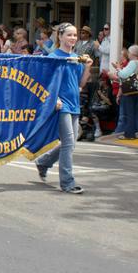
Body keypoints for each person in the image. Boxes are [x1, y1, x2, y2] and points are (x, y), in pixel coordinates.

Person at [34, 23, 92, 194]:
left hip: (74, 103)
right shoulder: (53, 57)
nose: (73, 38)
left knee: (71, 143)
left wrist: (87, 67)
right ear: (60, 37)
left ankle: (43, 162)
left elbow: (81, 83)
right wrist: (55, 98)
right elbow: (45, 83)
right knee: (68, 143)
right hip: (61, 105)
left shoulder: (76, 58)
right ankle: (67, 183)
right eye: (69, 35)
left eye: (75, 35)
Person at [110, 45, 138, 140]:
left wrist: (118, 68)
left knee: (129, 112)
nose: (128, 54)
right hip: (136, 91)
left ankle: (129, 134)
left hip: (129, 92)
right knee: (134, 112)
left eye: (129, 52)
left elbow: (123, 75)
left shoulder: (132, 63)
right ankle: (135, 131)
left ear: (134, 54)